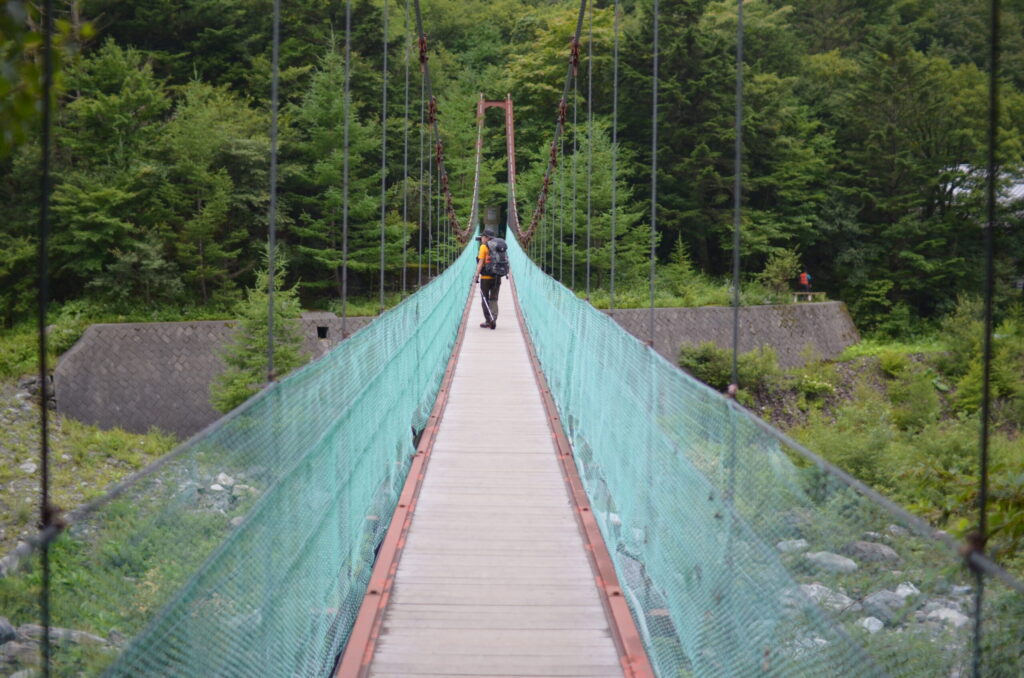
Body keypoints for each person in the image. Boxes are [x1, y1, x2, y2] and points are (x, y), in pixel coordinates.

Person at [474, 228, 500, 329]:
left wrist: (476, 276)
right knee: (494, 299)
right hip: (497, 277)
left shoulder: (483, 247)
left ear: (487, 238)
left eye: (483, 236)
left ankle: (488, 320)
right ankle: (494, 318)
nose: (481, 238)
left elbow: (480, 263)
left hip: (485, 277)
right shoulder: (498, 246)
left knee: (484, 299)